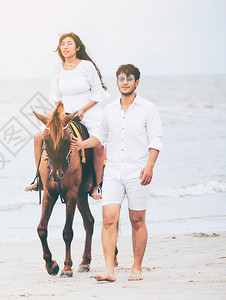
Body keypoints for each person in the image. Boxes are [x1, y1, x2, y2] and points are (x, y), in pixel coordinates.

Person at [70, 64, 162, 281]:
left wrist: (150, 166)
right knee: (109, 219)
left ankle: (136, 268)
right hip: (112, 172)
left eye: (129, 78)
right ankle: (109, 270)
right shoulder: (109, 109)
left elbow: (156, 140)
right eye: (121, 78)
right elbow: (100, 137)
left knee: (137, 219)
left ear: (136, 82)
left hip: (138, 172)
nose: (125, 82)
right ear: (117, 82)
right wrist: (81, 144)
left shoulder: (148, 109)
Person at [25, 32, 109, 199]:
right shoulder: (58, 69)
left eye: (69, 43)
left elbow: (99, 93)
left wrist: (83, 110)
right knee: (38, 137)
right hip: (64, 115)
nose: (65, 47)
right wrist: (60, 113)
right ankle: (40, 178)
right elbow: (55, 95)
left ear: (77, 47)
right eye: (62, 44)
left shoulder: (86, 66)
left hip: (88, 112)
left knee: (98, 146)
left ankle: (96, 185)